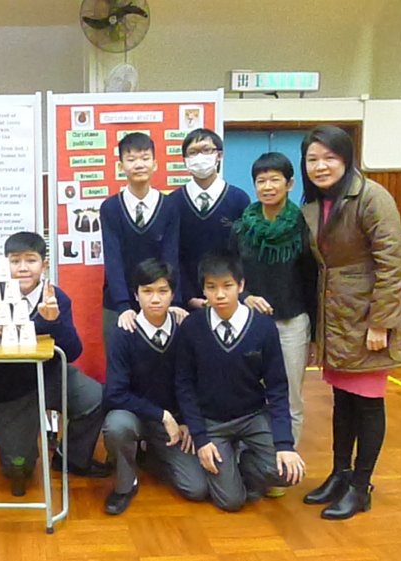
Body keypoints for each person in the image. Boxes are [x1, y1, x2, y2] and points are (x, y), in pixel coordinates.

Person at [298, 125, 401, 520]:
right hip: (336, 318)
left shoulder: (372, 197)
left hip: (366, 320)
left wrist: (380, 323)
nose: (320, 166)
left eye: (329, 158)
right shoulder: (317, 201)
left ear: (347, 159)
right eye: (312, 159)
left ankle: (361, 486)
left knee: (367, 402)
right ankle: (340, 474)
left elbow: (393, 264)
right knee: (343, 400)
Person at [0, 232, 109, 496]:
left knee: (95, 397)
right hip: (6, 387)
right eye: (15, 261)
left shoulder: (55, 297)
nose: (23, 268)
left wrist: (53, 321)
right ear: (5, 264)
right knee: (18, 467)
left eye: (31, 260)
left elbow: (72, 351)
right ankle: (18, 452)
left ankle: (70, 458)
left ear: (44, 265)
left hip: (49, 375)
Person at [174, 251, 305, 512]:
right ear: (204, 290)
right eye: (212, 287)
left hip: (252, 417)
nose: (220, 295)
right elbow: (184, 385)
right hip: (213, 423)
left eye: (227, 286)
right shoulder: (192, 327)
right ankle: (228, 467)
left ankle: (245, 462)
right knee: (231, 502)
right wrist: (201, 438)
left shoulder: (263, 327)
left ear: (241, 286)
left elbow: (278, 389)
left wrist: (285, 445)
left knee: (288, 473)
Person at [102, 258, 206, 515]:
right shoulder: (124, 333)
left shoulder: (184, 329)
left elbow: (194, 382)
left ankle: (153, 456)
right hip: (137, 415)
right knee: (116, 426)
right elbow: (115, 393)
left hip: (173, 423)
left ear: (173, 294)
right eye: (147, 291)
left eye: (163, 291)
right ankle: (126, 484)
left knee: (197, 489)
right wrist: (162, 415)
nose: (155, 299)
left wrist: (189, 422)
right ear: (136, 295)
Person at [229, 153, 318, 452]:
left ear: (289, 184)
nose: (267, 187)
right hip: (250, 325)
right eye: (261, 181)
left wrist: (315, 336)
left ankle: (284, 458)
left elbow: (312, 282)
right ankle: (252, 458)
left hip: (292, 323)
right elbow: (232, 276)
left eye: (274, 180)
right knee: (248, 393)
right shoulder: (242, 228)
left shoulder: (304, 227)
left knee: (290, 397)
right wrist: (246, 297)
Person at [100, 132, 181, 344]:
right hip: (119, 303)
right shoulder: (110, 208)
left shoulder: (169, 206)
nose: (139, 165)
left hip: (159, 300)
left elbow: (171, 256)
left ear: (155, 164)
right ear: (121, 166)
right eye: (131, 159)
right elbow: (113, 258)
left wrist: (172, 300)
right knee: (119, 356)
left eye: (145, 158)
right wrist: (123, 306)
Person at [173, 129, 250, 309]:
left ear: (219, 155)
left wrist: (239, 294)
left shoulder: (239, 199)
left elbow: (245, 254)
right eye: (193, 152)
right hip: (186, 304)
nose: (199, 157)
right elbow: (173, 256)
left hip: (231, 300)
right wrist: (188, 297)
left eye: (206, 150)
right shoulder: (173, 203)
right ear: (185, 160)